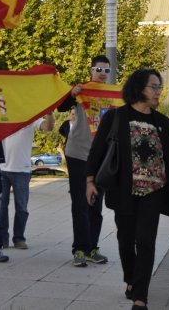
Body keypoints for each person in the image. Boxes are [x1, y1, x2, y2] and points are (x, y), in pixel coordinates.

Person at [85, 69, 169, 310]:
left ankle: (141, 296)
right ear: (139, 88)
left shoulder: (163, 122)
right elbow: (98, 150)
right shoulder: (116, 117)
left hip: (154, 191)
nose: (158, 91)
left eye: (159, 87)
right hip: (123, 190)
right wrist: (90, 181)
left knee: (146, 241)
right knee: (125, 240)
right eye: (154, 86)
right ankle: (130, 278)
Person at [56, 55, 112, 267]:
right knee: (80, 202)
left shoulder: (112, 95)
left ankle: (92, 247)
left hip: (101, 157)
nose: (102, 74)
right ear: (91, 69)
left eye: (106, 70)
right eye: (99, 69)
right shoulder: (81, 90)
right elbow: (61, 106)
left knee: (96, 203)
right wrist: (71, 94)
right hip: (78, 153)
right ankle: (79, 249)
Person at [0, 113, 54, 249]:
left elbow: (48, 127)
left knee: (22, 207)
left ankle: (19, 238)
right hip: (1, 168)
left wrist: (50, 113)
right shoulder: (1, 113)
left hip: (22, 170)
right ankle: (2, 239)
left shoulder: (30, 114)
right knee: (0, 207)